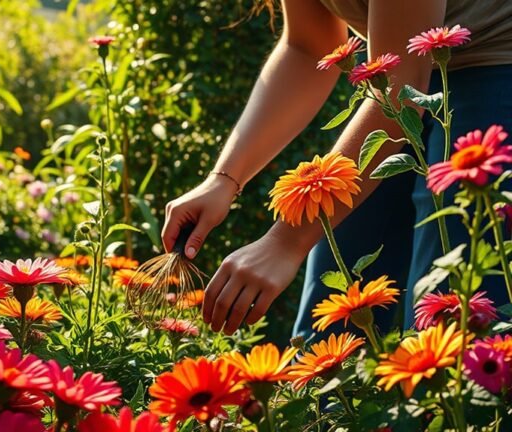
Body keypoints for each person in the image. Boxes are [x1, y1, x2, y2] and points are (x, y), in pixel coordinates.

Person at [161, 0, 512, 338]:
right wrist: (224, 179)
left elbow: (401, 89)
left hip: (494, 64)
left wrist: (285, 242)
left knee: (455, 322)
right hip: (402, 76)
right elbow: (308, 46)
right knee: (336, 314)